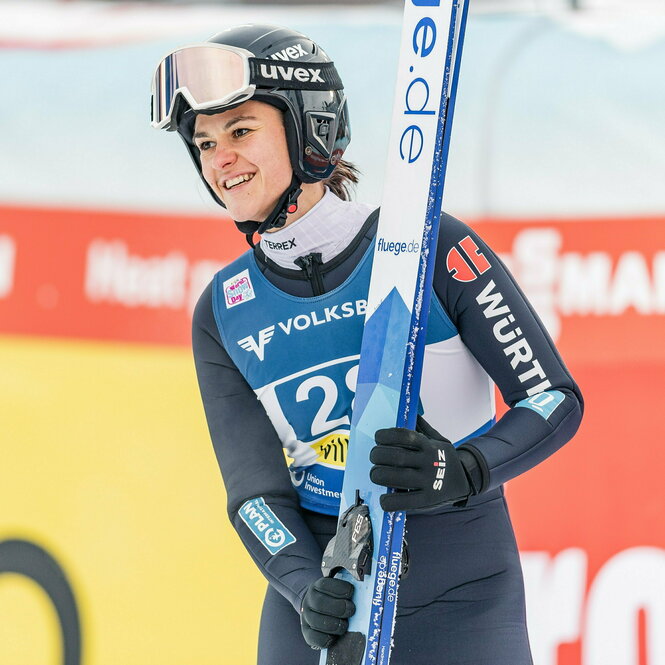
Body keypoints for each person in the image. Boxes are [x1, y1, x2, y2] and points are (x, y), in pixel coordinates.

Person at [151, 24, 583, 665]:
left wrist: (466, 470)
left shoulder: (430, 245)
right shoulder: (222, 310)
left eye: (241, 132)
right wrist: (303, 589)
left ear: (309, 130)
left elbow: (552, 399)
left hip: (461, 592)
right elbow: (253, 494)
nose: (220, 161)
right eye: (205, 143)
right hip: (323, 603)